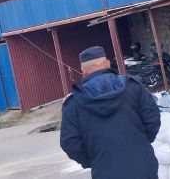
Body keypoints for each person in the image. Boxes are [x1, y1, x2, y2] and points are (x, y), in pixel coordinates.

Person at [60, 46, 160, 179]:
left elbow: (70, 143)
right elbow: (153, 119)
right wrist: (141, 144)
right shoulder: (133, 87)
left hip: (104, 172)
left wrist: (93, 160)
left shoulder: (73, 103)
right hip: (143, 167)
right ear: (107, 63)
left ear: (83, 70)